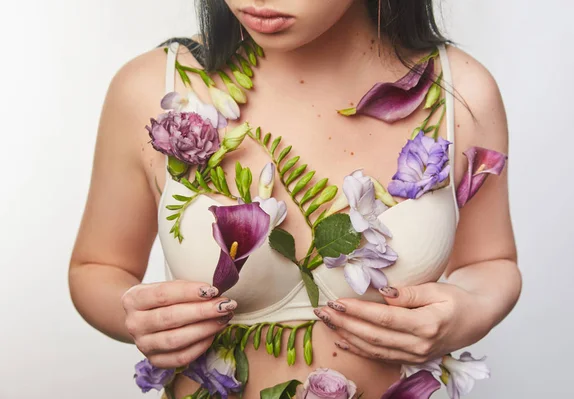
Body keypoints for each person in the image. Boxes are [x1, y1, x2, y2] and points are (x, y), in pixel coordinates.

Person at [69, 1, 521, 398]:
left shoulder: (460, 93)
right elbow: (96, 268)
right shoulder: (153, 88)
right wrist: (132, 314)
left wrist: (470, 312)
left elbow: (491, 261)